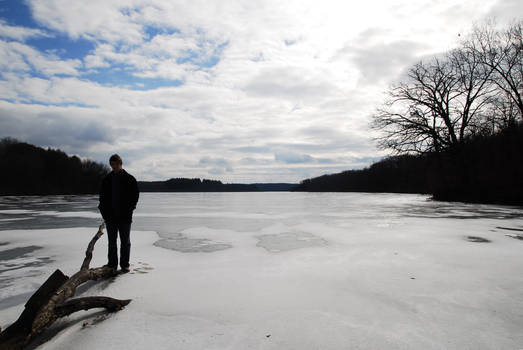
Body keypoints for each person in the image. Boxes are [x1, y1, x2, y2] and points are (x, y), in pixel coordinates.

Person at [98, 154, 139, 273]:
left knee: (125, 242)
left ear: (120, 164)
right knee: (112, 242)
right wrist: (105, 213)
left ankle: (124, 265)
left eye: (115, 164)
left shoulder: (130, 179)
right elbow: (102, 199)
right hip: (111, 217)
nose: (113, 167)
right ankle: (112, 264)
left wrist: (130, 208)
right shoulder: (107, 179)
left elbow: (135, 195)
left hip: (125, 217)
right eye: (111, 165)